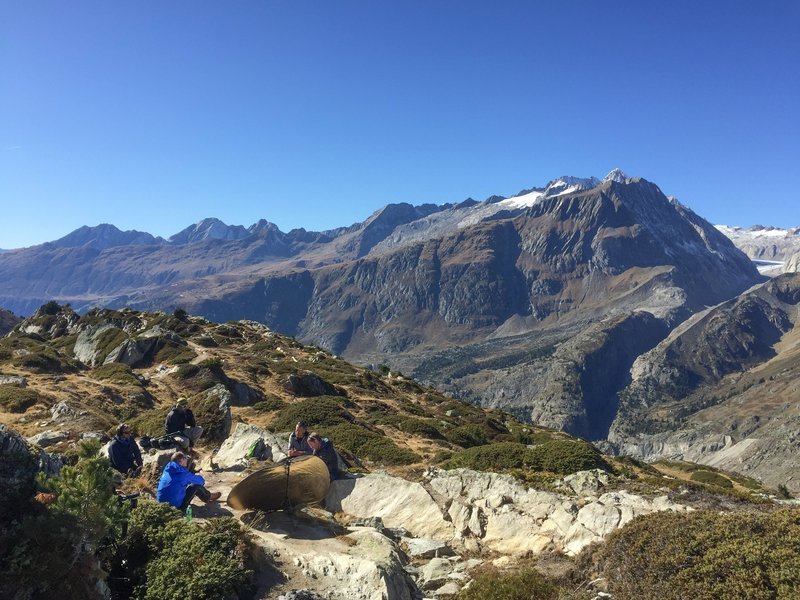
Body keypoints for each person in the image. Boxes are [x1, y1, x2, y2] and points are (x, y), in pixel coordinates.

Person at [156, 451, 221, 512]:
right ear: (181, 461)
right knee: (195, 486)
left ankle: (208, 496)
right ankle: (209, 497)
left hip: (161, 506)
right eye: (185, 458)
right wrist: (193, 477)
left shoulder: (167, 469)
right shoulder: (182, 473)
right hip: (176, 507)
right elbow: (201, 481)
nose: (187, 459)